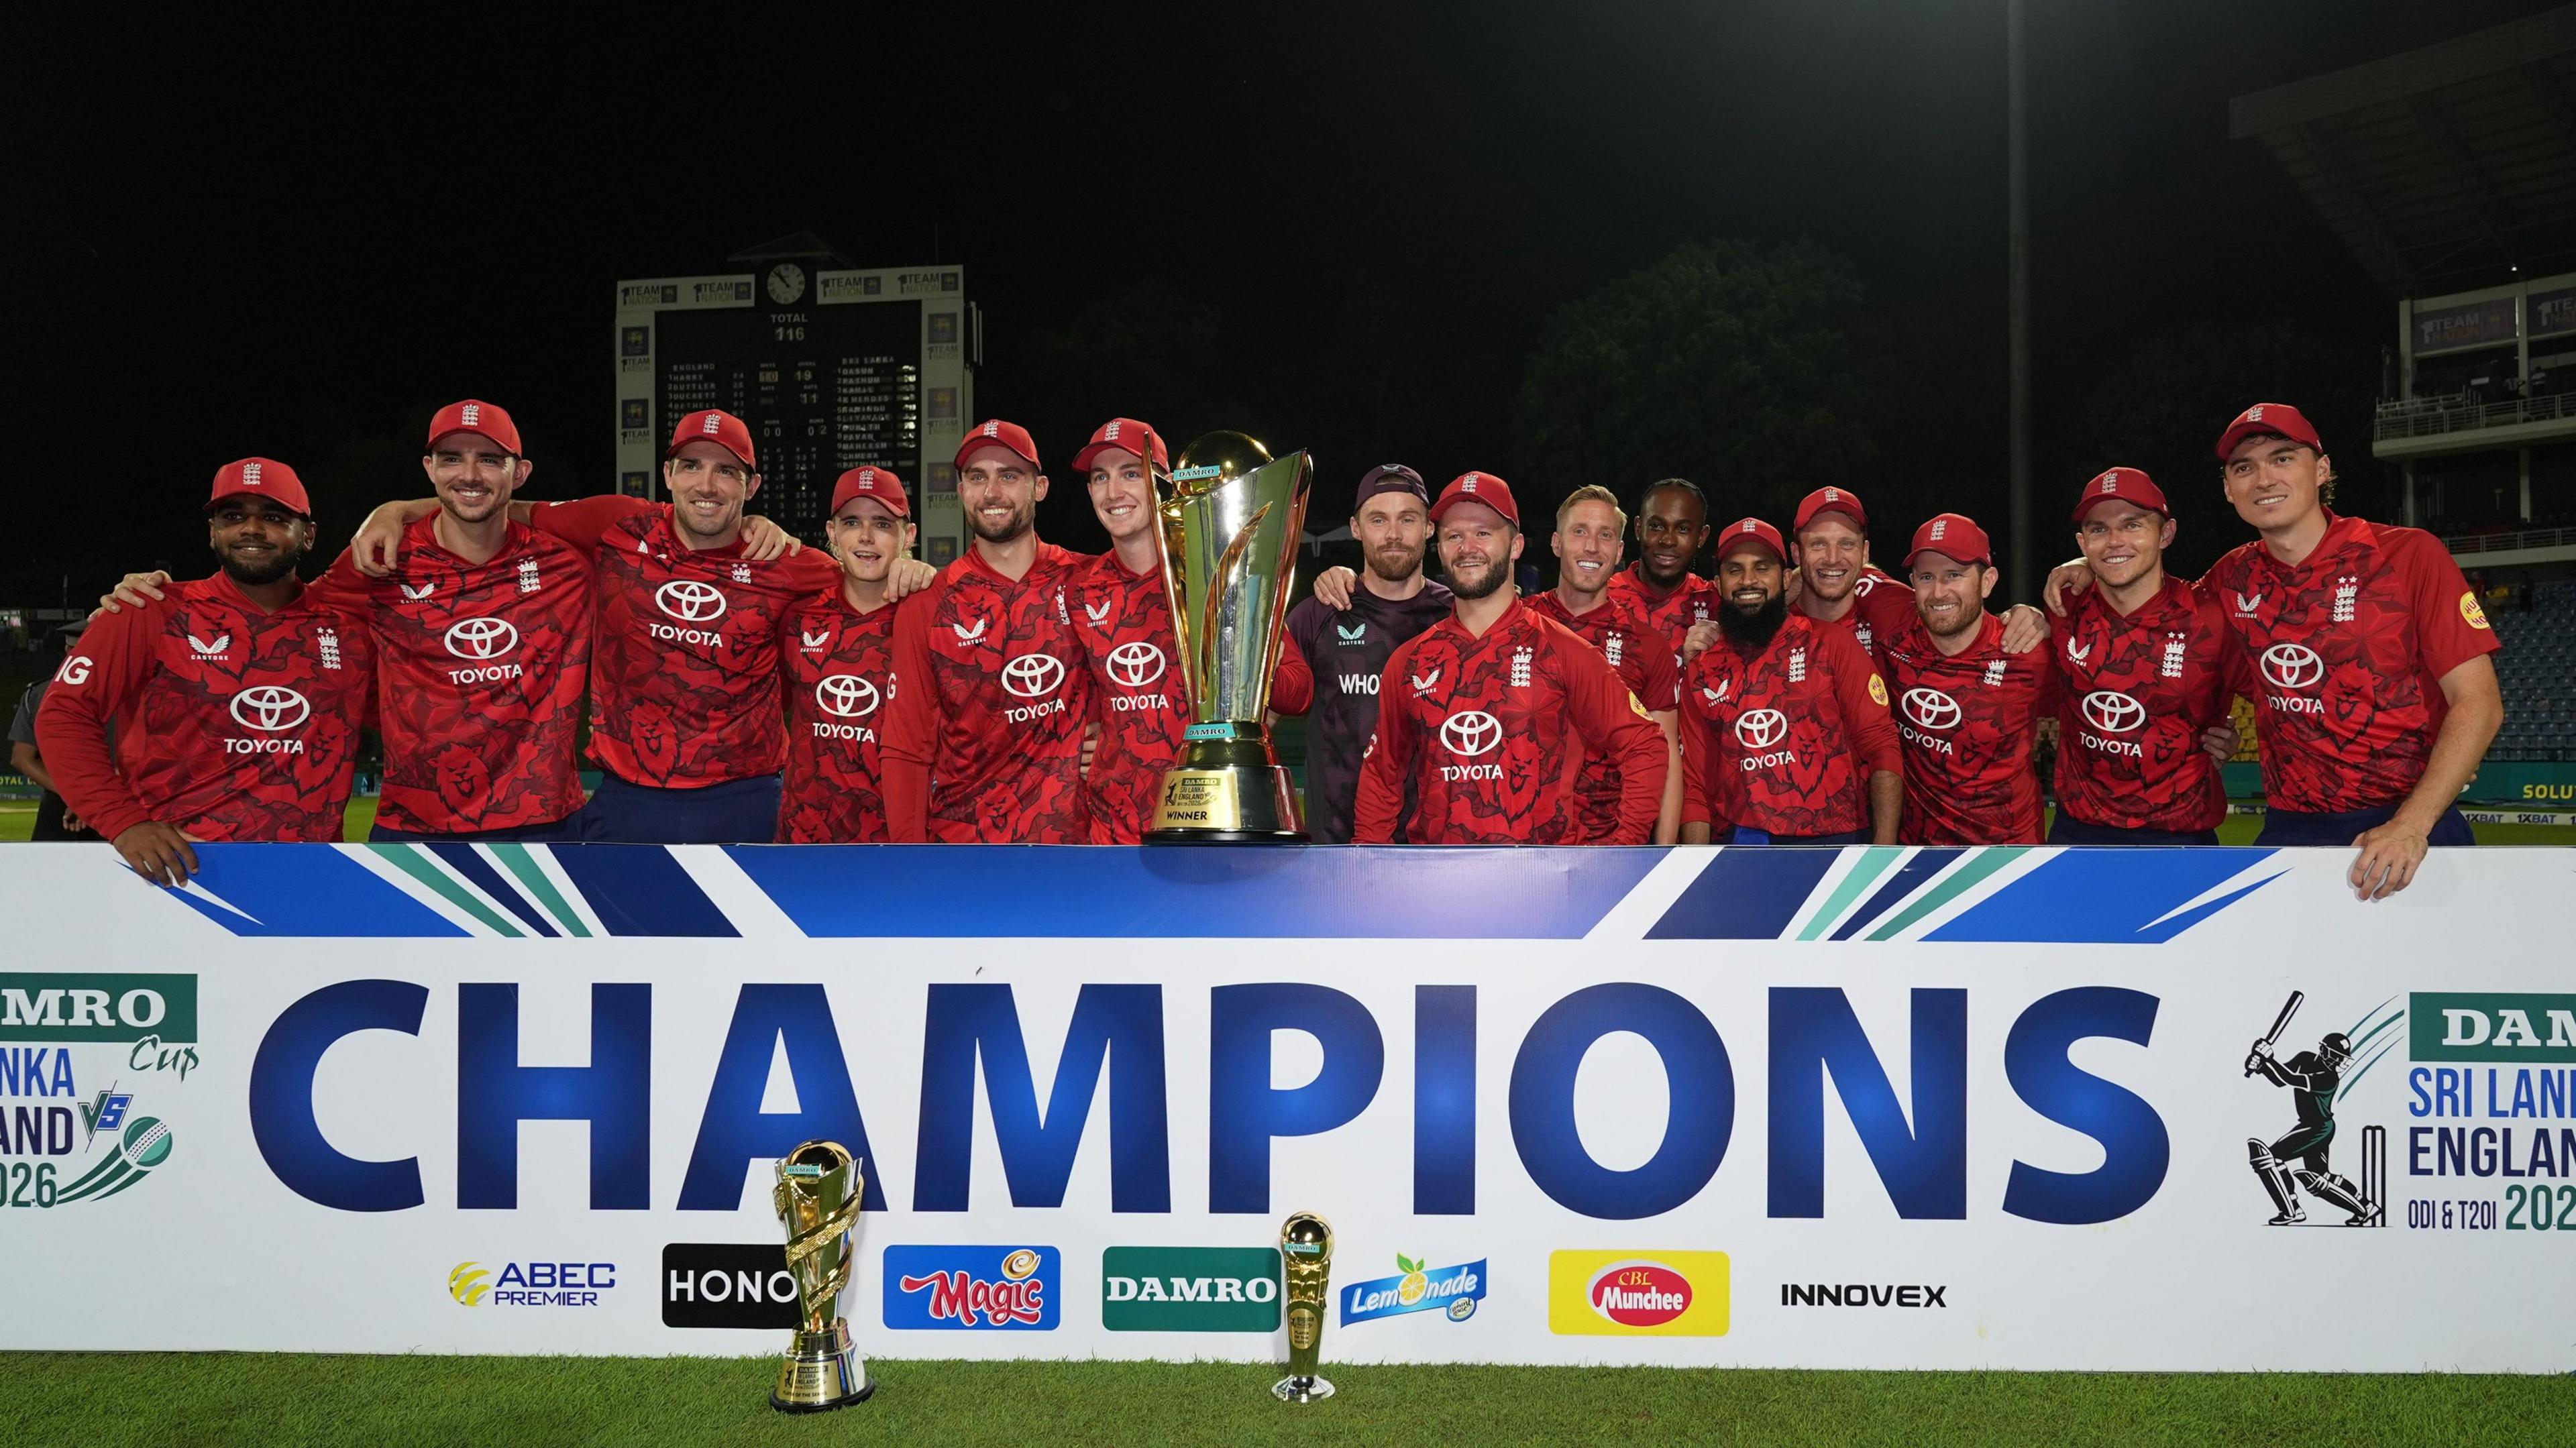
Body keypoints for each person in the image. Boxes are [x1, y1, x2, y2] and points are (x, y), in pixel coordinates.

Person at [2049, 403, 2504, 898]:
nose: (2263, 478)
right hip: (2293, 828)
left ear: (2322, 469)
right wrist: (2093, 565)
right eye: (2244, 467)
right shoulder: (2231, 578)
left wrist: (2412, 823)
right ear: (2228, 488)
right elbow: (2151, 598)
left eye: (2283, 458)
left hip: (2409, 825)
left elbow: (2478, 701)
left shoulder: (2408, 555)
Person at [351, 408, 843, 843]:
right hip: (630, 799)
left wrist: (917, 571)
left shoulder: (783, 559)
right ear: (668, 474)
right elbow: (492, 505)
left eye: (727, 471)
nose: (707, 485)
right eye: (692, 466)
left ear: (751, 487)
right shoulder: (617, 525)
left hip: (749, 796)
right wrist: (395, 510)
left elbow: (870, 581)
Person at [115, 400, 594, 842]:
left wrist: (396, 508)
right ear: (429, 468)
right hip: (415, 822)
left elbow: (660, 534)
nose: (469, 473)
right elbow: (276, 610)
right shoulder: (377, 557)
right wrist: (158, 600)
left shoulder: (571, 561)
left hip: (545, 816)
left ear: (521, 471)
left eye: (490, 460)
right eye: (451, 458)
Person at [39, 459, 374, 883]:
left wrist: (399, 509)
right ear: (213, 532)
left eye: (273, 517)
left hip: (310, 875)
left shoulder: (349, 630)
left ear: (307, 535)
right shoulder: (148, 609)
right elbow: (65, 714)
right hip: (178, 873)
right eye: (233, 516)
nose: (251, 529)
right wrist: (124, 822)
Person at [1353, 473, 1666, 844]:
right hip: (1436, 885)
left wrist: (1623, 849)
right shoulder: (1409, 661)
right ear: (1439, 549)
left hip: (1540, 885)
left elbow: (1646, 745)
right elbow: (1381, 775)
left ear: (1516, 545)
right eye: (1454, 535)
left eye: (1483, 533)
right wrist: (1368, 862)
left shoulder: (1564, 650)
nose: (1468, 547)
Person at [880, 420, 1096, 842]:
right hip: (966, 844)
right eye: (977, 477)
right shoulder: (927, 603)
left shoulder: (1088, 581)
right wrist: (908, 858)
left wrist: (1114, 736)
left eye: (1009, 476)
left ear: (1040, 488)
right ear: (961, 491)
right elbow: (907, 748)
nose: (992, 493)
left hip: (1077, 842)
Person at [1677, 518, 1900, 845]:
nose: (1748, 580)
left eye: (1762, 568)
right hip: (1746, 843)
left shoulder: (1832, 644)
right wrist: (1694, 866)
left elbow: (1882, 747)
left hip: (1837, 838)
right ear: (1718, 583)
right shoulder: (1702, 667)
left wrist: (1884, 853)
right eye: (1735, 570)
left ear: (1784, 578)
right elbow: (1696, 784)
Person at [1269, 465, 1453, 842]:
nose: (1394, 535)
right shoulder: (1317, 613)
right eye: (1378, 519)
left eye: (1408, 518)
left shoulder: (1455, 615)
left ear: (1429, 528)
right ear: (1356, 527)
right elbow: (1265, 721)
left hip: (1438, 847)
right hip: (1333, 846)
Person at [2049, 468, 2231, 844]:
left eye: (2132, 525)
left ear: (2166, 534)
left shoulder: (2211, 616)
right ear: (2082, 544)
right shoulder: (2062, 608)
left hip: (2182, 835)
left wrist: (2228, 741)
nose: (2115, 541)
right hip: (2078, 830)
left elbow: (2281, 701)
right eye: (2099, 530)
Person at [1878, 513, 2059, 846]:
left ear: (1988, 581)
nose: (1938, 592)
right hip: (1916, 857)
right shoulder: (1893, 634)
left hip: (2008, 859)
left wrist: (2083, 570)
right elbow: (1829, 572)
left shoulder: (2029, 653)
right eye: (1927, 577)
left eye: (1955, 575)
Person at [1524, 485, 1682, 843]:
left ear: (1620, 551)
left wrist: (1663, 856)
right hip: (1521, 840)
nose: (1592, 547)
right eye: (1579, 532)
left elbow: (1666, 752)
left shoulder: (1648, 645)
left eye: (1605, 535)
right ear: (1556, 543)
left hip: (1610, 844)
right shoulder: (1518, 622)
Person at [1067, 419, 1191, 844]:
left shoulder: (1212, 573)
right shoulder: (1078, 587)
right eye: (1100, 477)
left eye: (1131, 473)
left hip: (1205, 821)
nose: (1113, 492)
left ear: (1164, 483)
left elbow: (1294, 690)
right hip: (1111, 830)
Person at [777, 466, 914, 843]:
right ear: (832, 533)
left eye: (884, 524)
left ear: (909, 535)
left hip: (903, 841)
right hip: (805, 838)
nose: (867, 537)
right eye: (852, 522)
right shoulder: (798, 618)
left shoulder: (929, 619)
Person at [2245, 1030, 2373, 1227]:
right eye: (2335, 1055)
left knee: (2270, 1158)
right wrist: (2262, 1066)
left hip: (2319, 1128)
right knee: (2321, 1177)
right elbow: (2280, 1080)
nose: (2337, 1061)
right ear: (2322, 1049)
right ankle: (2366, 1206)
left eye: (2341, 1058)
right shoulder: (2305, 1058)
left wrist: (2268, 1058)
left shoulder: (2330, 1078)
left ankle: (2291, 1210)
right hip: (2311, 1126)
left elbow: (2291, 1079)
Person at [1613, 477, 1721, 667]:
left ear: (1701, 537)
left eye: (1683, 529)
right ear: (1639, 529)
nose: (1668, 540)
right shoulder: (1603, 596)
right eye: (1657, 526)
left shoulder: (1716, 602)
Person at [8, 624, 89, 841]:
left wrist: (75, 796)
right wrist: (95, 798)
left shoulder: (38, 693)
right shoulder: (134, 693)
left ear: (67, 650)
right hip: (120, 807)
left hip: (60, 808)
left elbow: (21, 758)